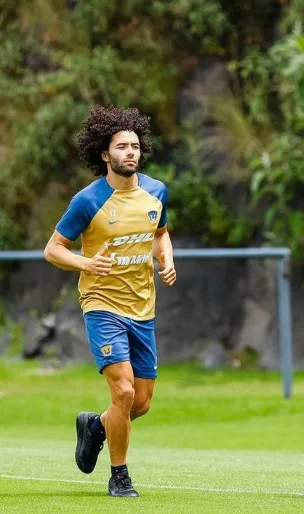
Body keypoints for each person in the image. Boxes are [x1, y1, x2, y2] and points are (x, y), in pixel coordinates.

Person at [43, 105, 176, 497]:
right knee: (123, 391)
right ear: (105, 154)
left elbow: (160, 232)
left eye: (135, 145)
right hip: (102, 305)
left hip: (143, 308)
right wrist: (87, 263)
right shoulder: (87, 201)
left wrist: (166, 258)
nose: (130, 152)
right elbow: (53, 250)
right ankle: (119, 476)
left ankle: (97, 426)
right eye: (122, 146)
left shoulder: (156, 191)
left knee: (141, 403)